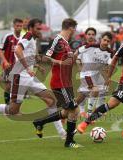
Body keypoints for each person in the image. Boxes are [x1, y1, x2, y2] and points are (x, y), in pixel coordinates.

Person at [0, 19, 66, 139]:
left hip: (29, 77)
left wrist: (39, 65)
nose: (40, 31)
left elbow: (32, 57)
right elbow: (18, 50)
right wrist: (27, 68)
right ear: (31, 28)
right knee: (13, 110)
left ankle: (62, 133)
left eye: (41, 28)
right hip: (20, 77)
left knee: (51, 101)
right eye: (38, 28)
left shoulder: (32, 39)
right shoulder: (28, 36)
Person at [32, 18, 81, 148]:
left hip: (67, 82)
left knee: (66, 112)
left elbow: (67, 61)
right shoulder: (57, 41)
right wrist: (59, 63)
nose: (75, 31)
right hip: (60, 82)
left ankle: (40, 122)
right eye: (75, 28)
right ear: (70, 27)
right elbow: (45, 57)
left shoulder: (66, 43)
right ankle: (69, 141)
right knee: (75, 110)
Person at [75, 31, 114, 119]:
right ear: (101, 39)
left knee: (104, 89)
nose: (105, 42)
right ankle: (89, 115)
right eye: (104, 40)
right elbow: (77, 54)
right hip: (86, 74)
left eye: (108, 41)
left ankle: (98, 109)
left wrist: (108, 78)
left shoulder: (109, 53)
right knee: (94, 91)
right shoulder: (89, 47)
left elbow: (108, 66)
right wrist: (77, 66)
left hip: (96, 75)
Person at [0, 18, 23, 104]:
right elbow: (0, 51)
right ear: (13, 26)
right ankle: (8, 106)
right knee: (8, 86)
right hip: (8, 66)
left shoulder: (24, 38)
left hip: (20, 67)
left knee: (17, 87)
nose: (19, 28)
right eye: (17, 26)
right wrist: (5, 61)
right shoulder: (8, 37)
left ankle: (13, 106)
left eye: (20, 26)